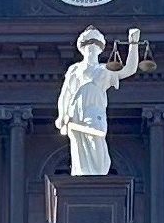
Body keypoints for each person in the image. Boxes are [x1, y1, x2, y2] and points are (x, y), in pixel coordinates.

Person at [52, 27, 146, 176]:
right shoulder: (74, 70)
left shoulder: (104, 70)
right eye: (87, 43)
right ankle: (82, 178)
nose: (91, 47)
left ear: (100, 49)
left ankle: (98, 178)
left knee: (96, 143)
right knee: (79, 151)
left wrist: (133, 44)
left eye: (95, 44)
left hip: (93, 112)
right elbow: (65, 94)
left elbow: (129, 69)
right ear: (81, 48)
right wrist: (62, 115)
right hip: (75, 114)